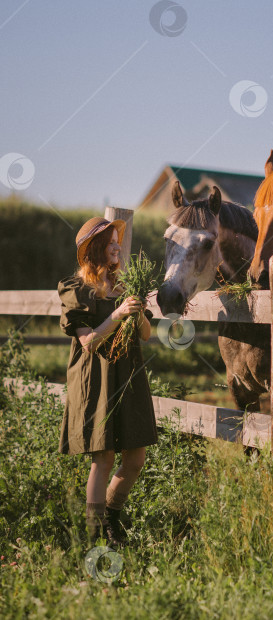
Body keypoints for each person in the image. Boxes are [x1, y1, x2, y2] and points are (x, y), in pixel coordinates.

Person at [57, 216, 158, 546]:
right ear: (94, 250)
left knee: (136, 459)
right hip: (96, 377)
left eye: (117, 241)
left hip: (128, 374)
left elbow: (146, 334)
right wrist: (116, 315)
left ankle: (111, 518)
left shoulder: (125, 288)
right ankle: (97, 533)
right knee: (104, 458)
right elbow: (89, 342)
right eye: (111, 242)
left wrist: (137, 311)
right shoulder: (77, 289)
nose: (117, 246)